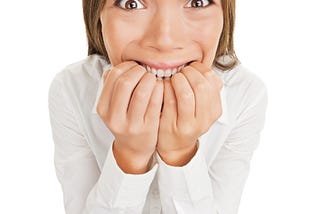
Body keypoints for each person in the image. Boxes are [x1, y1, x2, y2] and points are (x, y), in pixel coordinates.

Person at [48, 0, 268, 213]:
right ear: (97, 16)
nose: (165, 39)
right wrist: (130, 156)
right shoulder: (72, 89)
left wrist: (180, 153)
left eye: (197, 2)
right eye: (131, 3)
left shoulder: (244, 93)